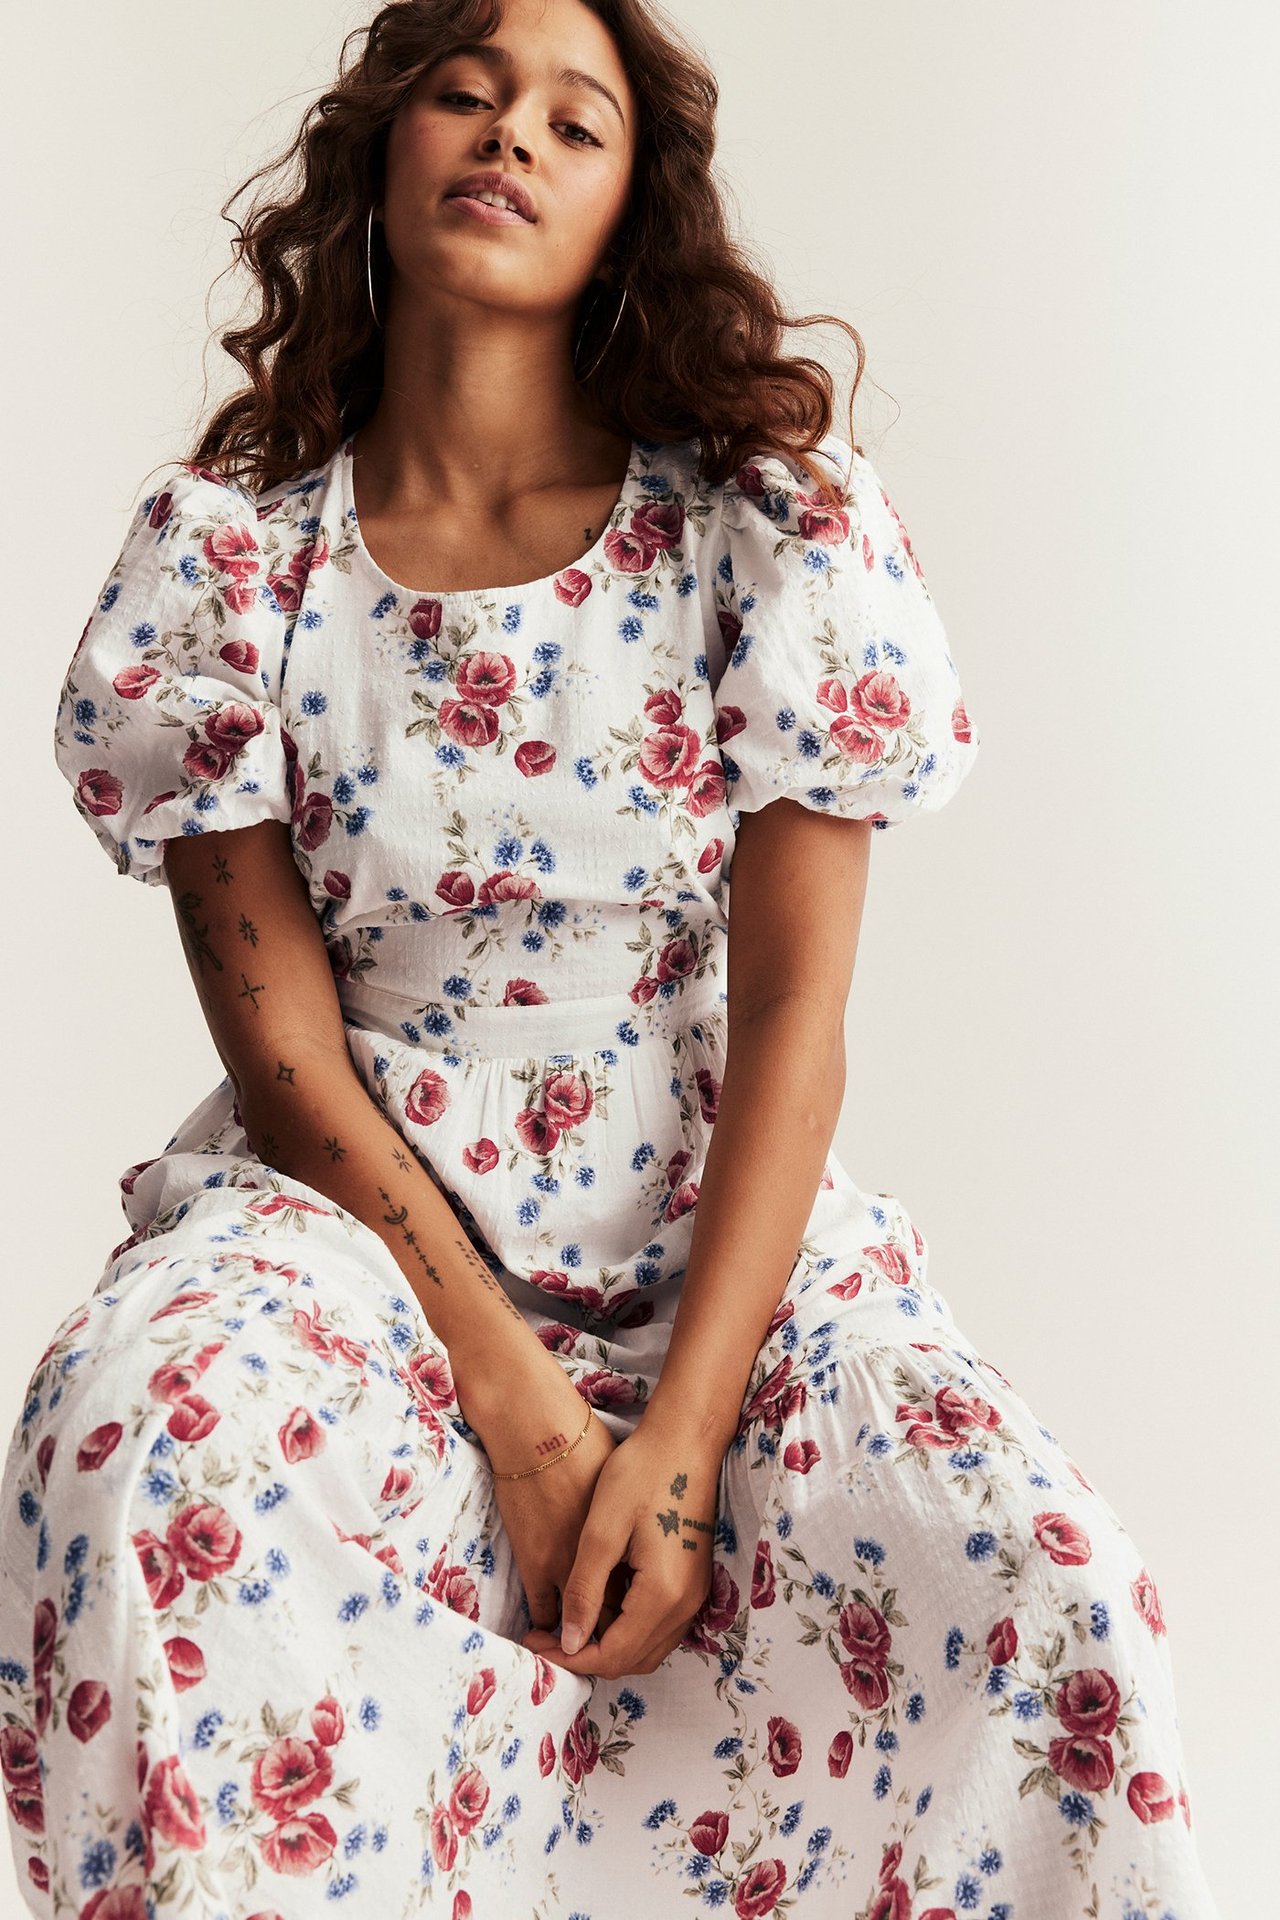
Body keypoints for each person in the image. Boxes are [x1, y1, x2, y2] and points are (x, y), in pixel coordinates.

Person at [1, 1, 1222, 1915]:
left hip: (702, 1202)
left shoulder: (765, 532)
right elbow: (288, 1057)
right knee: (136, 1426)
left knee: (1031, 1564)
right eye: (467, 94)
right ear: (384, 159)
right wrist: (518, 1398)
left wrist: (673, 1440)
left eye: (576, 125)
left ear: (631, 213)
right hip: (351, 1203)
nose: (510, 137)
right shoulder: (227, 562)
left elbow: (803, 1021)